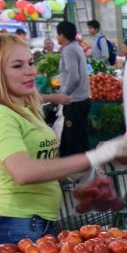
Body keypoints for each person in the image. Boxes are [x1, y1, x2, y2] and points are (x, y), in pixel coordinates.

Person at [0, 33, 127, 253]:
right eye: (17, 66)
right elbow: (23, 172)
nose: (30, 71)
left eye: (30, 63)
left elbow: (45, 163)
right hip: (16, 227)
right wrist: (93, 156)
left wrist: (87, 176)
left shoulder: (24, 107)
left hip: (39, 222)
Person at [45, 20, 91, 157]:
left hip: (74, 100)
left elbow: (74, 76)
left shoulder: (69, 50)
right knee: (77, 135)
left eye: (57, 34)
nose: (57, 37)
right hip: (82, 98)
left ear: (62, 35)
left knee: (74, 138)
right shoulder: (76, 47)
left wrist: (63, 94)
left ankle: (77, 168)